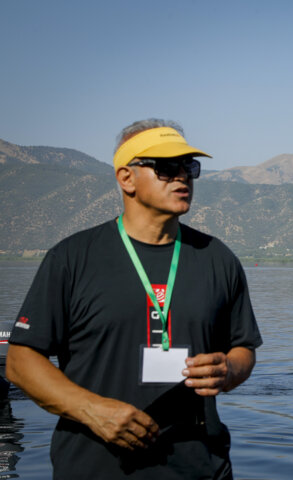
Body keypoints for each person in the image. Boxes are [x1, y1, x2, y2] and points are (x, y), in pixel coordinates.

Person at [6, 119, 263, 479]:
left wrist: (229, 370)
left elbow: (243, 348)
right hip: (95, 468)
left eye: (189, 167)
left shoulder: (217, 258)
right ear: (126, 178)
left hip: (200, 468)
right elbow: (20, 361)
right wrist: (92, 409)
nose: (183, 177)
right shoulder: (72, 258)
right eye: (166, 167)